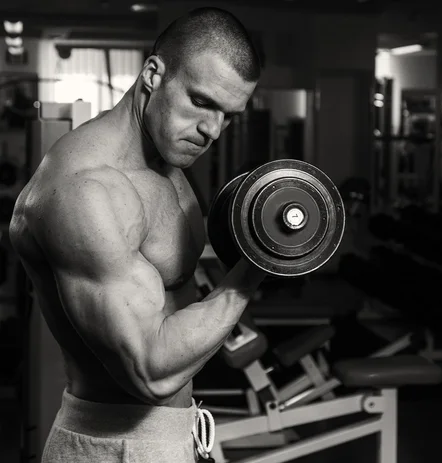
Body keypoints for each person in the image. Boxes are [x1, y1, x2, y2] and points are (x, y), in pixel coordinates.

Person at [9, 7, 265, 463]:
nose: (212, 131)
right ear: (153, 74)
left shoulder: (169, 163)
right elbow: (149, 372)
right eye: (202, 102)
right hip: (114, 447)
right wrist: (259, 268)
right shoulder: (84, 190)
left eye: (229, 115)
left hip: (174, 435)